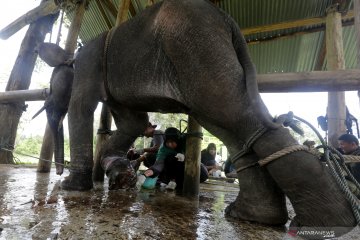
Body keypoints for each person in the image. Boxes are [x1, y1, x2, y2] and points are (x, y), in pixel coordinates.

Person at [141, 127, 208, 190]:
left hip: (191, 167)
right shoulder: (163, 149)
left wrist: (185, 158)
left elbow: (195, 157)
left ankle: (178, 182)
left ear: (177, 140)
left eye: (172, 142)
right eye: (167, 142)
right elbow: (158, 165)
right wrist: (145, 175)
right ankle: (173, 181)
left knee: (204, 174)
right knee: (170, 159)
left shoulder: (187, 142)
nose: (170, 144)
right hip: (176, 169)